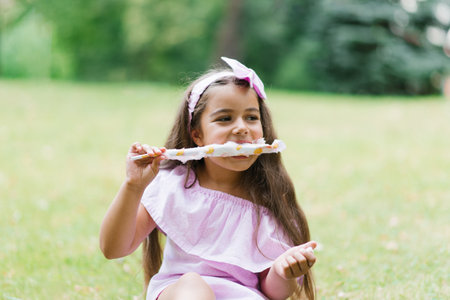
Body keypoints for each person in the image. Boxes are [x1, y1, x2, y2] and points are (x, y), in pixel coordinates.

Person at [100, 57, 317, 300]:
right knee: (194, 285)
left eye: (251, 118)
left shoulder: (269, 202)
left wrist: (282, 272)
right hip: (181, 293)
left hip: (243, 295)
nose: (241, 128)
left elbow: (272, 293)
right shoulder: (174, 185)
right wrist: (133, 187)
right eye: (225, 118)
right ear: (197, 135)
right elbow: (113, 248)